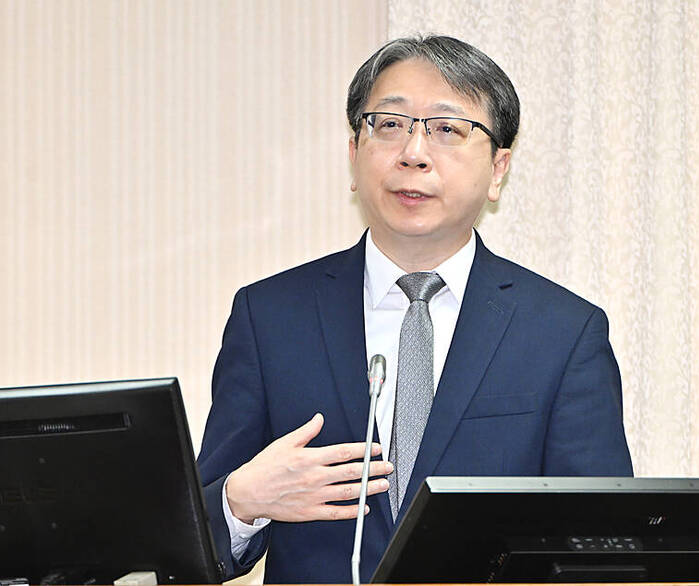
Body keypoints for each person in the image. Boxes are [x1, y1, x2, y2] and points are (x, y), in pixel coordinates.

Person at [197, 35, 633, 584]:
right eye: (389, 124)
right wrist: (242, 501)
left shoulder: (563, 333)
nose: (414, 153)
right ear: (354, 155)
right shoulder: (270, 316)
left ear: (499, 169)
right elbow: (196, 549)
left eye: (448, 129)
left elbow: (601, 546)